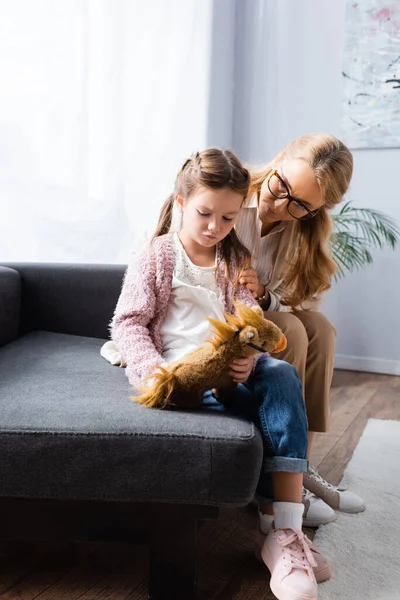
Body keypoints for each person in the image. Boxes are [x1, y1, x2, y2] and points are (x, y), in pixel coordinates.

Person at [111, 148, 327, 600]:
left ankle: (286, 531)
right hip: (186, 375)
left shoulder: (234, 258)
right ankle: (277, 509)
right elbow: (128, 323)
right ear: (181, 201)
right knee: (260, 413)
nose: (215, 228)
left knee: (283, 377)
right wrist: (153, 374)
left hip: (233, 370)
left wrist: (249, 354)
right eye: (205, 214)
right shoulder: (158, 255)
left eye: (228, 219)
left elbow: (249, 316)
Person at [235, 133, 365, 530]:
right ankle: (274, 486)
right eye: (281, 186)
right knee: (288, 328)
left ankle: (300, 468)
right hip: (218, 320)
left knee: (321, 329)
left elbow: (297, 299)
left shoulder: (304, 231)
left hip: (255, 315)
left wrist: (263, 295)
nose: (279, 204)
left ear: (316, 209)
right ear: (277, 160)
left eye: (299, 205)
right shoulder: (230, 196)